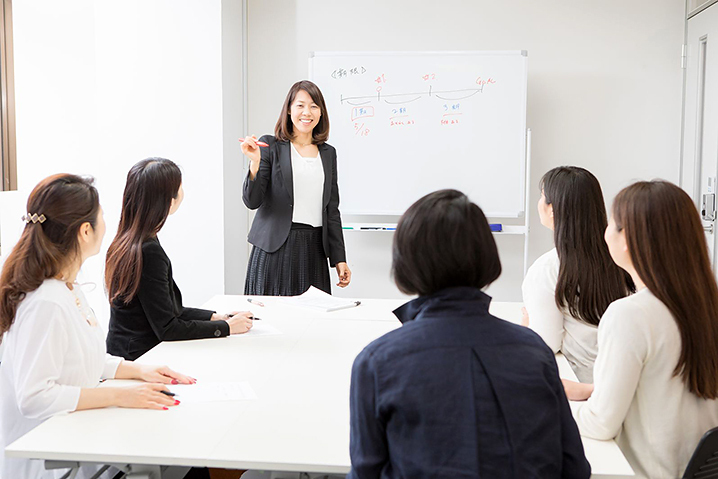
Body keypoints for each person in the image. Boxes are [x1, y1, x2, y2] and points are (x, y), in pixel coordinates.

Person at [348, 189, 591, 479]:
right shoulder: (534, 352)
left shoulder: (377, 362)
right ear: (486, 256)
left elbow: (366, 473)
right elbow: (575, 468)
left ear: (405, 261)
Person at [0, 174, 192, 479]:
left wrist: (137, 370)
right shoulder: (46, 302)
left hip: (79, 441)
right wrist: (119, 396)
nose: (107, 223)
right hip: (51, 462)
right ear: (85, 231)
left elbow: (77, 358)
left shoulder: (66, 287)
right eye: (102, 215)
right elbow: (34, 397)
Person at [564, 180, 718, 479]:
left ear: (628, 239)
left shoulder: (630, 314)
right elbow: (675, 387)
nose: (605, 231)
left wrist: (549, 404)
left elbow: (600, 424)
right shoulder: (706, 303)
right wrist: (594, 391)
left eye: (612, 223)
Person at [105, 159, 254, 361]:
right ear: (168, 200)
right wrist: (226, 328)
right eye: (179, 186)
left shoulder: (125, 241)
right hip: (142, 359)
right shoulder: (148, 251)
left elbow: (167, 311)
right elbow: (168, 328)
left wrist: (216, 317)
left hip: (125, 353)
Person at [522, 166, 633, 382]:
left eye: (542, 195)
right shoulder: (620, 255)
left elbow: (546, 343)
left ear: (552, 209)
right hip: (628, 380)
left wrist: (526, 327)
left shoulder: (547, 268)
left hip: (582, 386)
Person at [241, 80, 351, 296]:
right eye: (300, 105)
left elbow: (332, 210)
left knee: (312, 323)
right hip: (275, 248)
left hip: (314, 250)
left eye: (313, 106)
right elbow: (251, 201)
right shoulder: (270, 146)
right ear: (289, 110)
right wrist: (254, 163)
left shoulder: (328, 153)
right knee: (272, 321)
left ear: (321, 113)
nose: (306, 112)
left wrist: (339, 259)